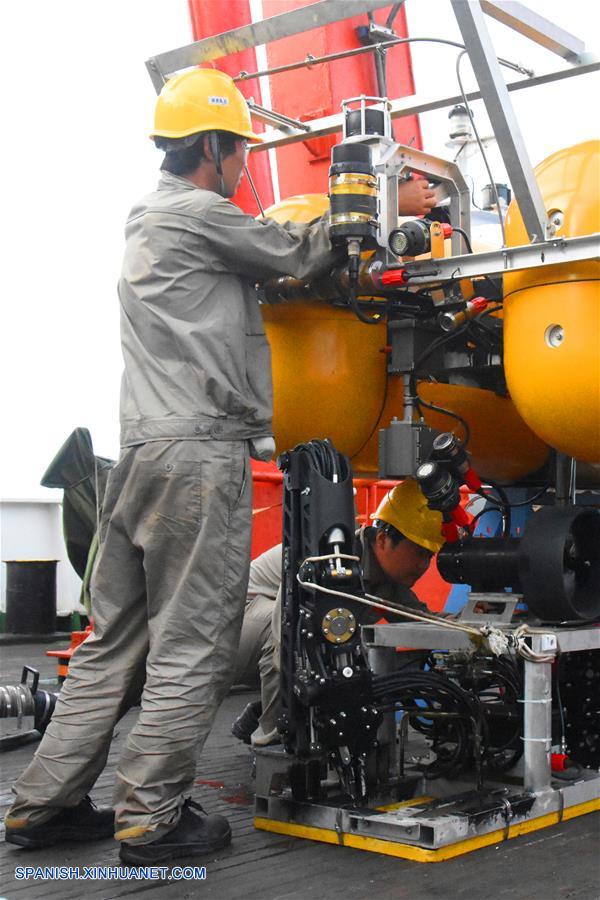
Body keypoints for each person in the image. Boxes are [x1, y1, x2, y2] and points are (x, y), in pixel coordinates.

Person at [4, 69, 436, 864]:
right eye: (238, 151)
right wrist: (389, 210)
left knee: (111, 642)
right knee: (192, 646)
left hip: (136, 454)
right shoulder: (202, 217)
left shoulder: (149, 223)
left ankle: (42, 805)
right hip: (198, 457)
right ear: (210, 147)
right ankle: (152, 818)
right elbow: (302, 250)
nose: (242, 167)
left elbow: (258, 271)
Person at [231, 478, 444, 746]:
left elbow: (420, 619)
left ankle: (265, 710)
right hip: (238, 625)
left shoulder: (387, 579)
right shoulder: (334, 558)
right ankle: (274, 731)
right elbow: (284, 637)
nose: (424, 565)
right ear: (382, 539)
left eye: (430, 557)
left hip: (261, 628)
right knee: (299, 630)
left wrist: (471, 625)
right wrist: (284, 720)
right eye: (418, 553)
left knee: (332, 643)